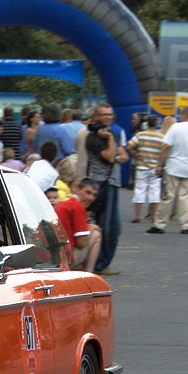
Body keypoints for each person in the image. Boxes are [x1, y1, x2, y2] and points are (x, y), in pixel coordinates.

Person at [147, 106, 188, 235]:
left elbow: (166, 147)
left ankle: (160, 224)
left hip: (174, 166)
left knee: (168, 196)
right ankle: (185, 225)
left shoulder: (175, 127)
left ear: (183, 115)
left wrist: (159, 165)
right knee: (185, 198)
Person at [85, 102, 128, 274]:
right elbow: (111, 157)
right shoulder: (95, 137)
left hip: (113, 182)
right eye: (104, 115)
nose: (108, 118)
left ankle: (104, 262)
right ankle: (98, 264)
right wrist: (110, 141)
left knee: (114, 227)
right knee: (105, 225)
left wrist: (115, 152)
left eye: (110, 114)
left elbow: (124, 156)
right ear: (96, 116)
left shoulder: (109, 133)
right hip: (102, 184)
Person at [54, 178, 102, 272]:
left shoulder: (66, 204)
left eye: (94, 195)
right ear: (78, 189)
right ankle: (89, 274)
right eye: (87, 192)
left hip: (52, 256)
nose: (91, 198)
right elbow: (81, 243)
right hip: (64, 259)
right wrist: (90, 229)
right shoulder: (77, 206)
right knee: (96, 235)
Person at [126, 114, 164, 223]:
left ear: (147, 124)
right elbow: (164, 150)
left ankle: (137, 215)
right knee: (155, 191)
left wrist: (135, 155)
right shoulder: (161, 136)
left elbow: (128, 146)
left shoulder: (140, 135)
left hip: (142, 166)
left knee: (140, 190)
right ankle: (155, 215)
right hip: (155, 167)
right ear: (156, 124)